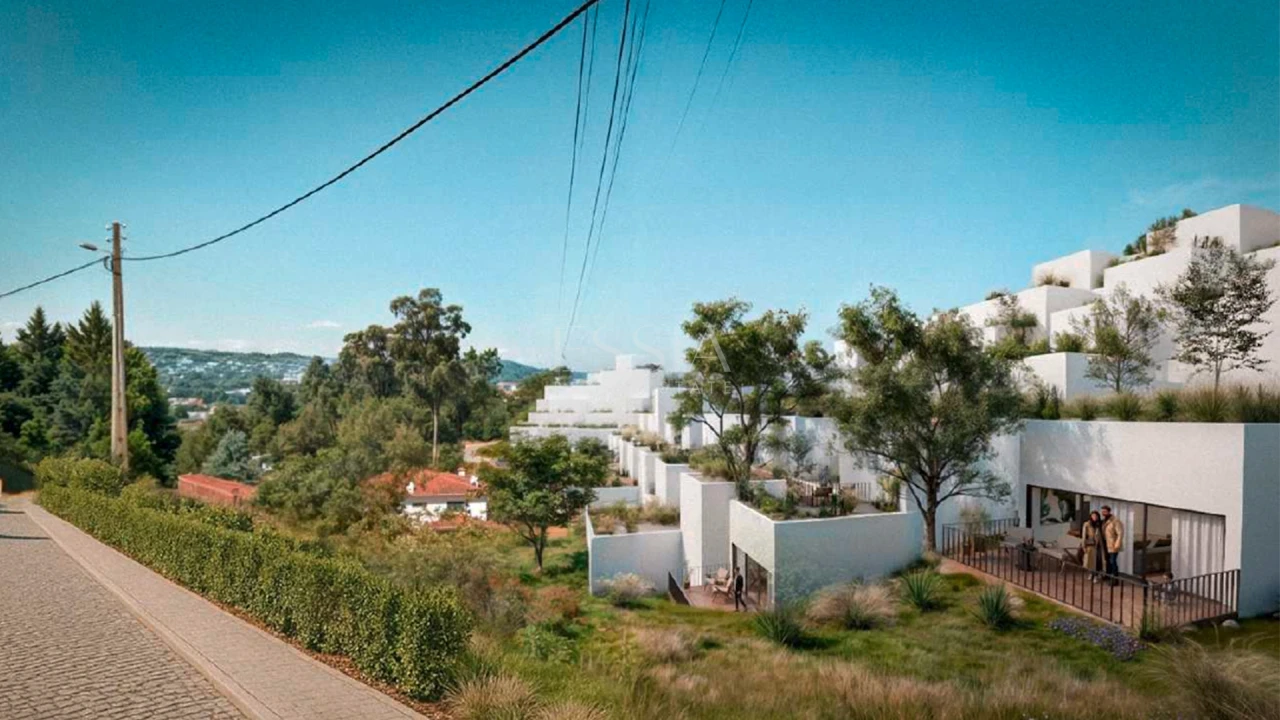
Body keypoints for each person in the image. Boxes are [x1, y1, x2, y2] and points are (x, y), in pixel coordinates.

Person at [1101, 505, 1124, 586]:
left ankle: (1115, 579)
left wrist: (1117, 544)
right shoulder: (1104, 521)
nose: (1103, 513)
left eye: (1105, 511)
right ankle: (1108, 575)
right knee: (1107, 561)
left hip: (1113, 544)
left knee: (1113, 561)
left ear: (1109, 511)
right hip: (1105, 543)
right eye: (1102, 511)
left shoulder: (1115, 521)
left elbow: (1120, 533)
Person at [1082, 510, 1105, 582]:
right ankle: (1091, 574)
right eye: (1093, 516)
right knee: (1090, 561)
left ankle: (1096, 575)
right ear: (1091, 516)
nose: (1095, 517)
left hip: (1099, 544)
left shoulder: (1099, 524)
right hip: (1090, 544)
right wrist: (1083, 545)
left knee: (1098, 561)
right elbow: (1084, 535)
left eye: (1096, 516)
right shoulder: (1087, 524)